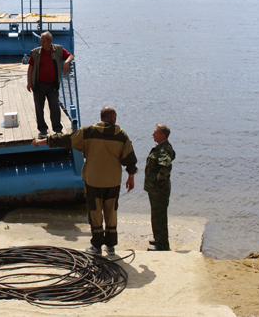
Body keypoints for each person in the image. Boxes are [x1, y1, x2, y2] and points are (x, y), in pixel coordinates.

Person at [31, 106, 138, 255]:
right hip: (113, 182)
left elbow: (65, 139)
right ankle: (111, 246)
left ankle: (96, 247)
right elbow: (129, 159)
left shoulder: (88, 132)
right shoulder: (121, 135)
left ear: (102, 117)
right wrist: (131, 177)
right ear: (113, 118)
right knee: (111, 212)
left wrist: (42, 141)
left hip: (94, 181)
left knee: (95, 213)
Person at [27, 31, 74, 138]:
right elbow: (30, 67)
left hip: (52, 85)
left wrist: (66, 62)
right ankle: (42, 129)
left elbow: (71, 56)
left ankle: (57, 129)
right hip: (39, 85)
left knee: (54, 106)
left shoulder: (58, 50)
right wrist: (29, 82)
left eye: (44, 41)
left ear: (50, 41)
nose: (42, 43)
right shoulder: (36, 52)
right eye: (41, 41)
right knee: (39, 107)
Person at [144, 124, 176, 252]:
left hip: (159, 189)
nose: (153, 134)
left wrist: (159, 178)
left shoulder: (163, 149)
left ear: (162, 135)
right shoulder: (162, 147)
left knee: (159, 217)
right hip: (156, 189)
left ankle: (162, 246)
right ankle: (159, 238)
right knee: (156, 215)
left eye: (155, 132)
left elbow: (166, 165)